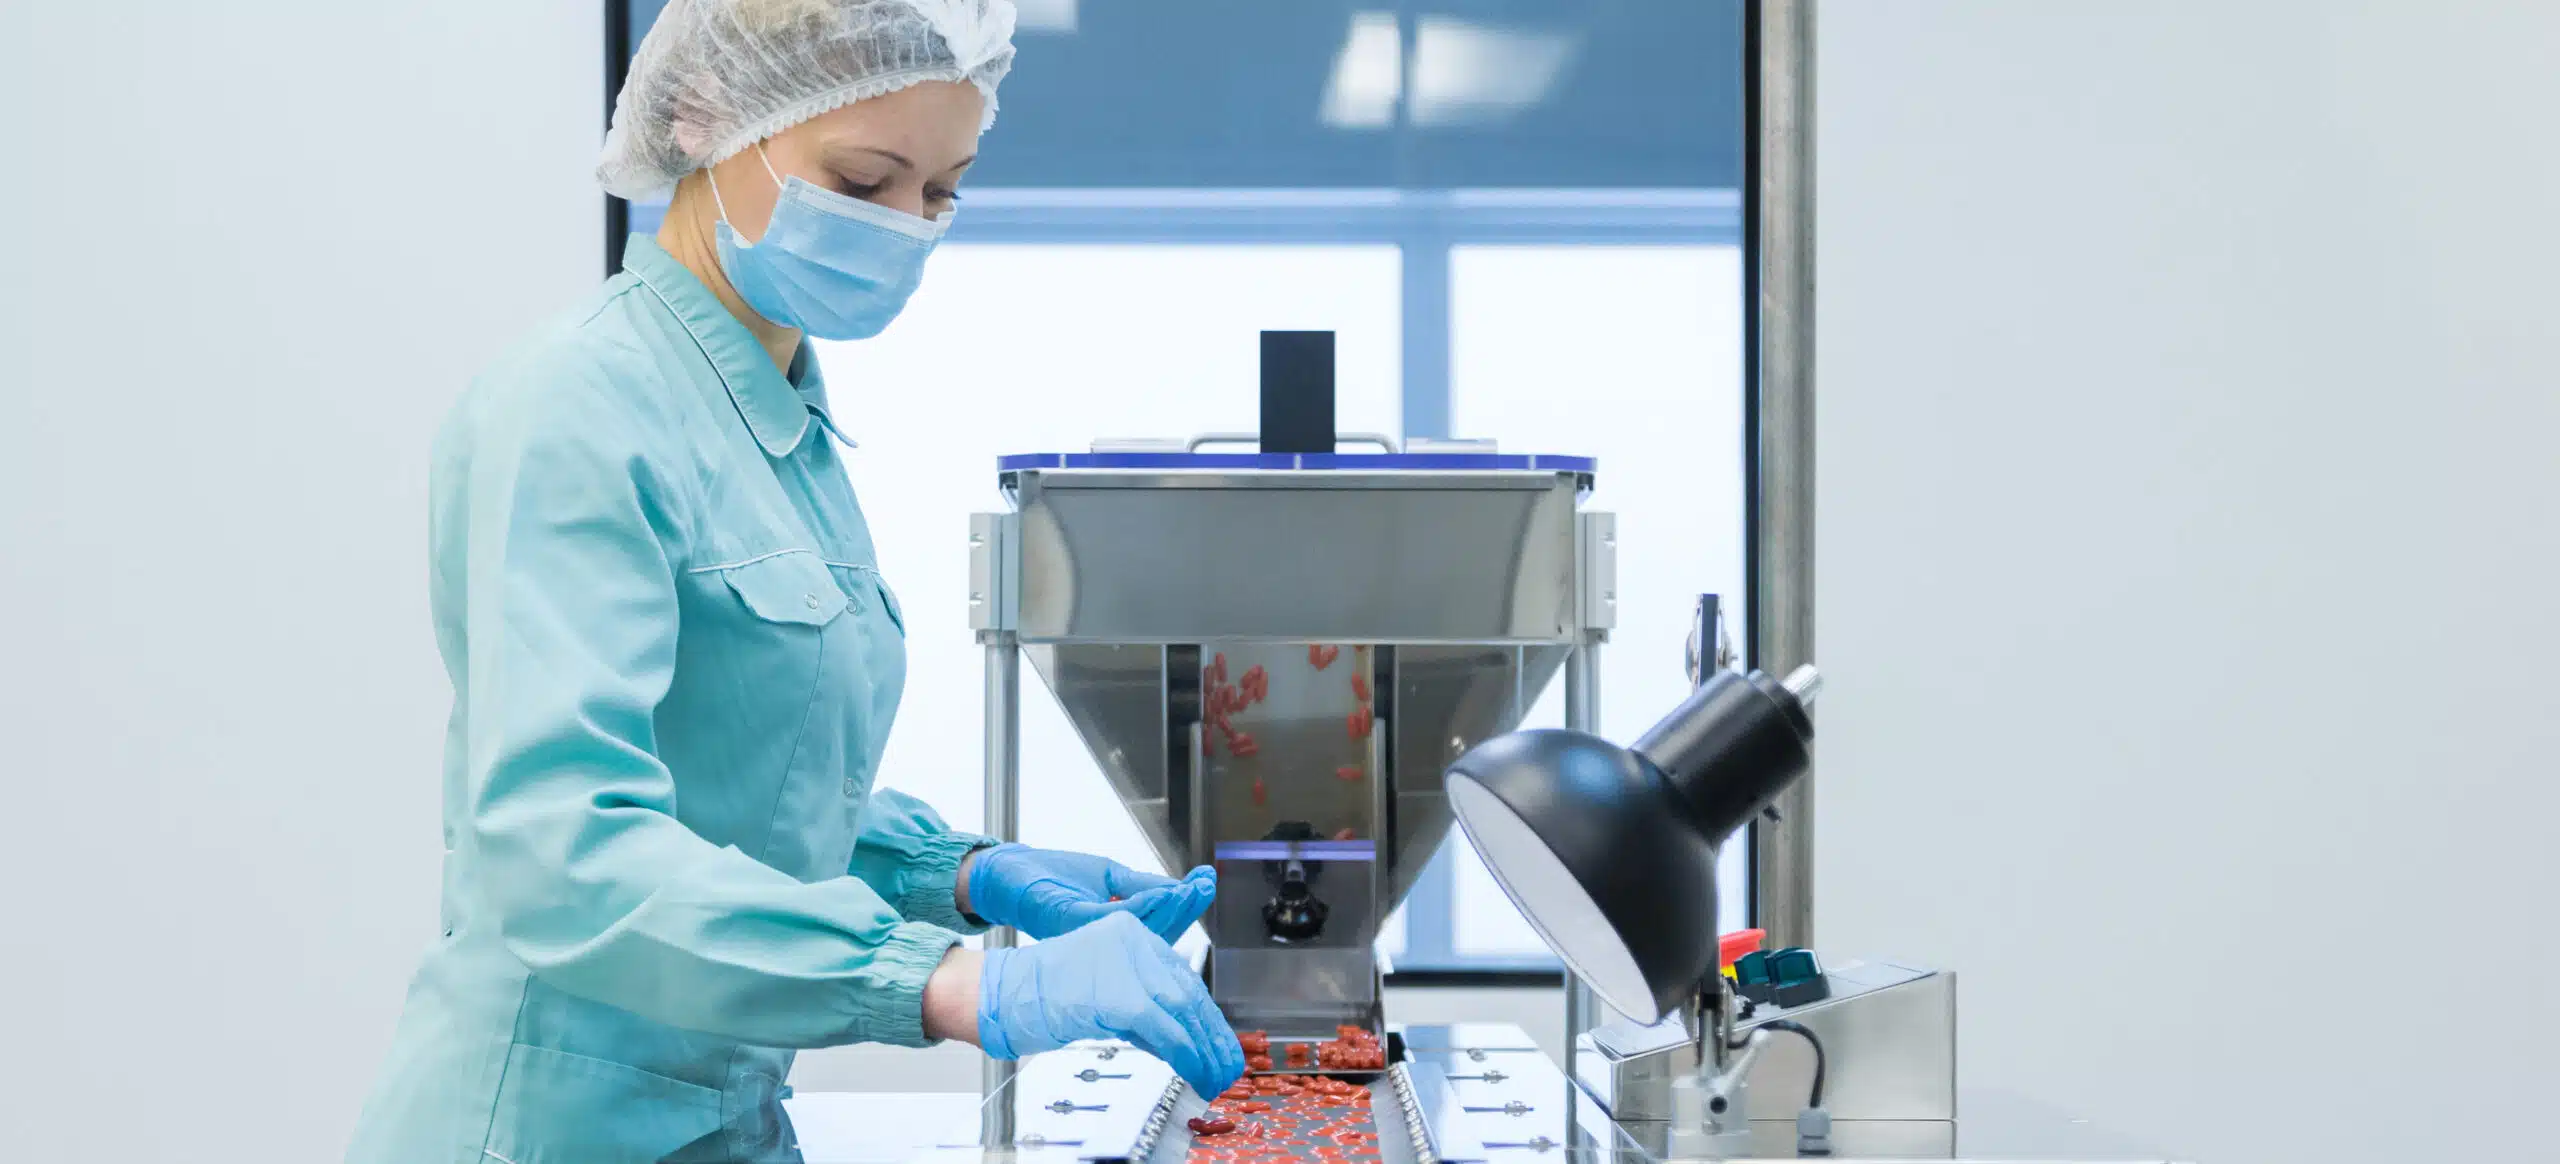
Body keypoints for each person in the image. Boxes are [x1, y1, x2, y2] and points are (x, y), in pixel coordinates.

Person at [347, 2, 1245, 1160]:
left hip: (724, 1116)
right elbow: (562, 851)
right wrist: (956, 984)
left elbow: (734, 788)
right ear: (701, 118)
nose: (908, 228)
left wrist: (961, 873)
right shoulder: (576, 405)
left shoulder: (783, 427)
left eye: (941, 191)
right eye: (866, 180)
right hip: (550, 1124)